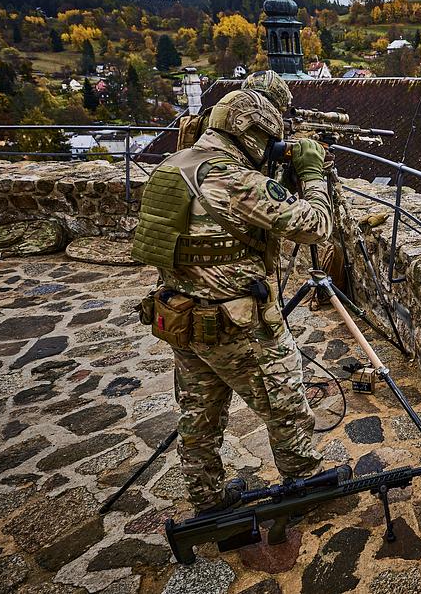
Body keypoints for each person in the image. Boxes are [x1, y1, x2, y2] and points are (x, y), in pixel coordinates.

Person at [132, 70, 332, 515]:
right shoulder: (237, 181)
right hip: (236, 324)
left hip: (181, 316)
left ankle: (207, 499)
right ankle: (304, 482)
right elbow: (316, 227)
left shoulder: (174, 166)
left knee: (199, 416)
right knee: (285, 406)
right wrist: (312, 171)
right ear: (254, 134)